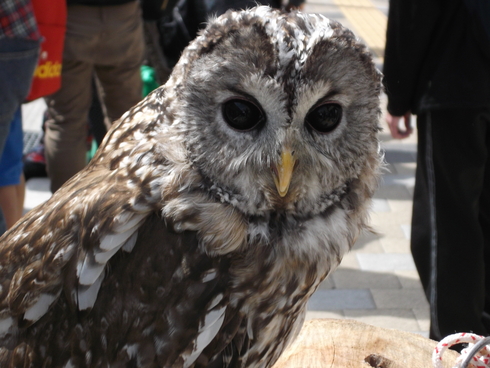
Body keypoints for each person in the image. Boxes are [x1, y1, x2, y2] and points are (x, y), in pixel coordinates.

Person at [383, 0, 490, 341]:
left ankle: (460, 345)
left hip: (454, 80)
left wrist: (398, 93)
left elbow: (412, 11)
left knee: (448, 224)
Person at [44, 0, 145, 193]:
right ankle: (124, 201)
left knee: (66, 121)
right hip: (123, 18)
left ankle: (65, 211)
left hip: (69, 19)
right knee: (127, 120)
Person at [0, 0, 41, 234]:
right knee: (10, 162)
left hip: (8, 43)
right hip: (18, 41)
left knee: (6, 167)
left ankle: (8, 250)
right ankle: (14, 244)